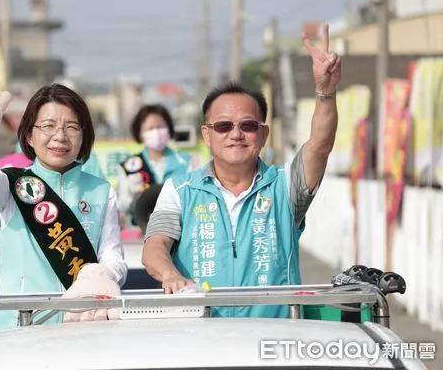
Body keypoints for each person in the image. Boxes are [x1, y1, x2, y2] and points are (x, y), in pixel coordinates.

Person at [141, 24, 341, 318]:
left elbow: (320, 146)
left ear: (263, 134)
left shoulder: (286, 186)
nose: (236, 134)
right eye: (223, 126)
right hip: (200, 339)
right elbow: (154, 246)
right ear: (207, 135)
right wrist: (170, 275)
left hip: (274, 343)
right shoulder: (179, 190)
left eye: (247, 126)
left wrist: (325, 91)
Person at [0, 68, 127, 328]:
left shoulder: (101, 191)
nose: (60, 136)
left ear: (83, 136)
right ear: (29, 135)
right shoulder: (10, 184)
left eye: (72, 127)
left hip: (81, 328)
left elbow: (113, 256)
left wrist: (101, 274)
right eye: (48, 126)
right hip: (15, 330)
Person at [117, 104, 192, 229]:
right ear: (140, 133)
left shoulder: (185, 161)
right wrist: (134, 197)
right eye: (150, 128)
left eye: (160, 127)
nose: (156, 132)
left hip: (180, 230)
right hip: (141, 233)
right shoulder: (130, 166)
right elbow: (122, 205)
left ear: (169, 129)